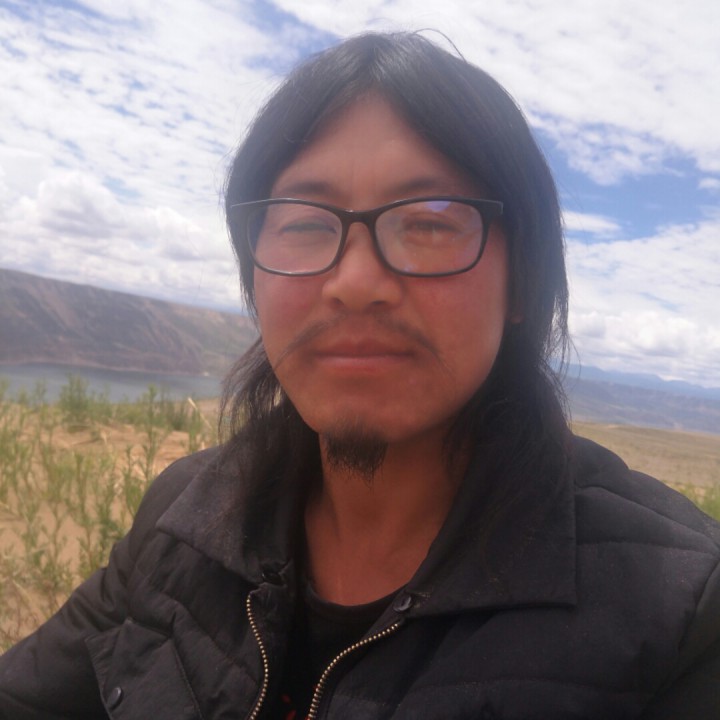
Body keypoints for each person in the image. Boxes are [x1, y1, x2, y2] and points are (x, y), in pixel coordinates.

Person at [1, 31, 719, 720]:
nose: (354, 283)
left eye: (431, 222)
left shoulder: (680, 616)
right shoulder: (186, 517)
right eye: (303, 222)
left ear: (523, 284)